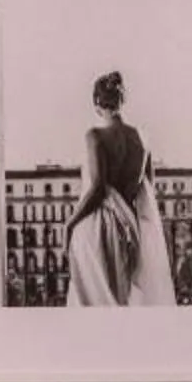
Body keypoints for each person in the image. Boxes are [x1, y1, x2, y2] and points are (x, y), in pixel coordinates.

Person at [63, 71, 176, 308]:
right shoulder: (142, 139)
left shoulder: (95, 136)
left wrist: (70, 223)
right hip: (131, 229)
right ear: (122, 101)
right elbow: (147, 190)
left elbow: (96, 189)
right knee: (125, 301)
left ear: (96, 103)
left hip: (98, 229)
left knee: (96, 302)